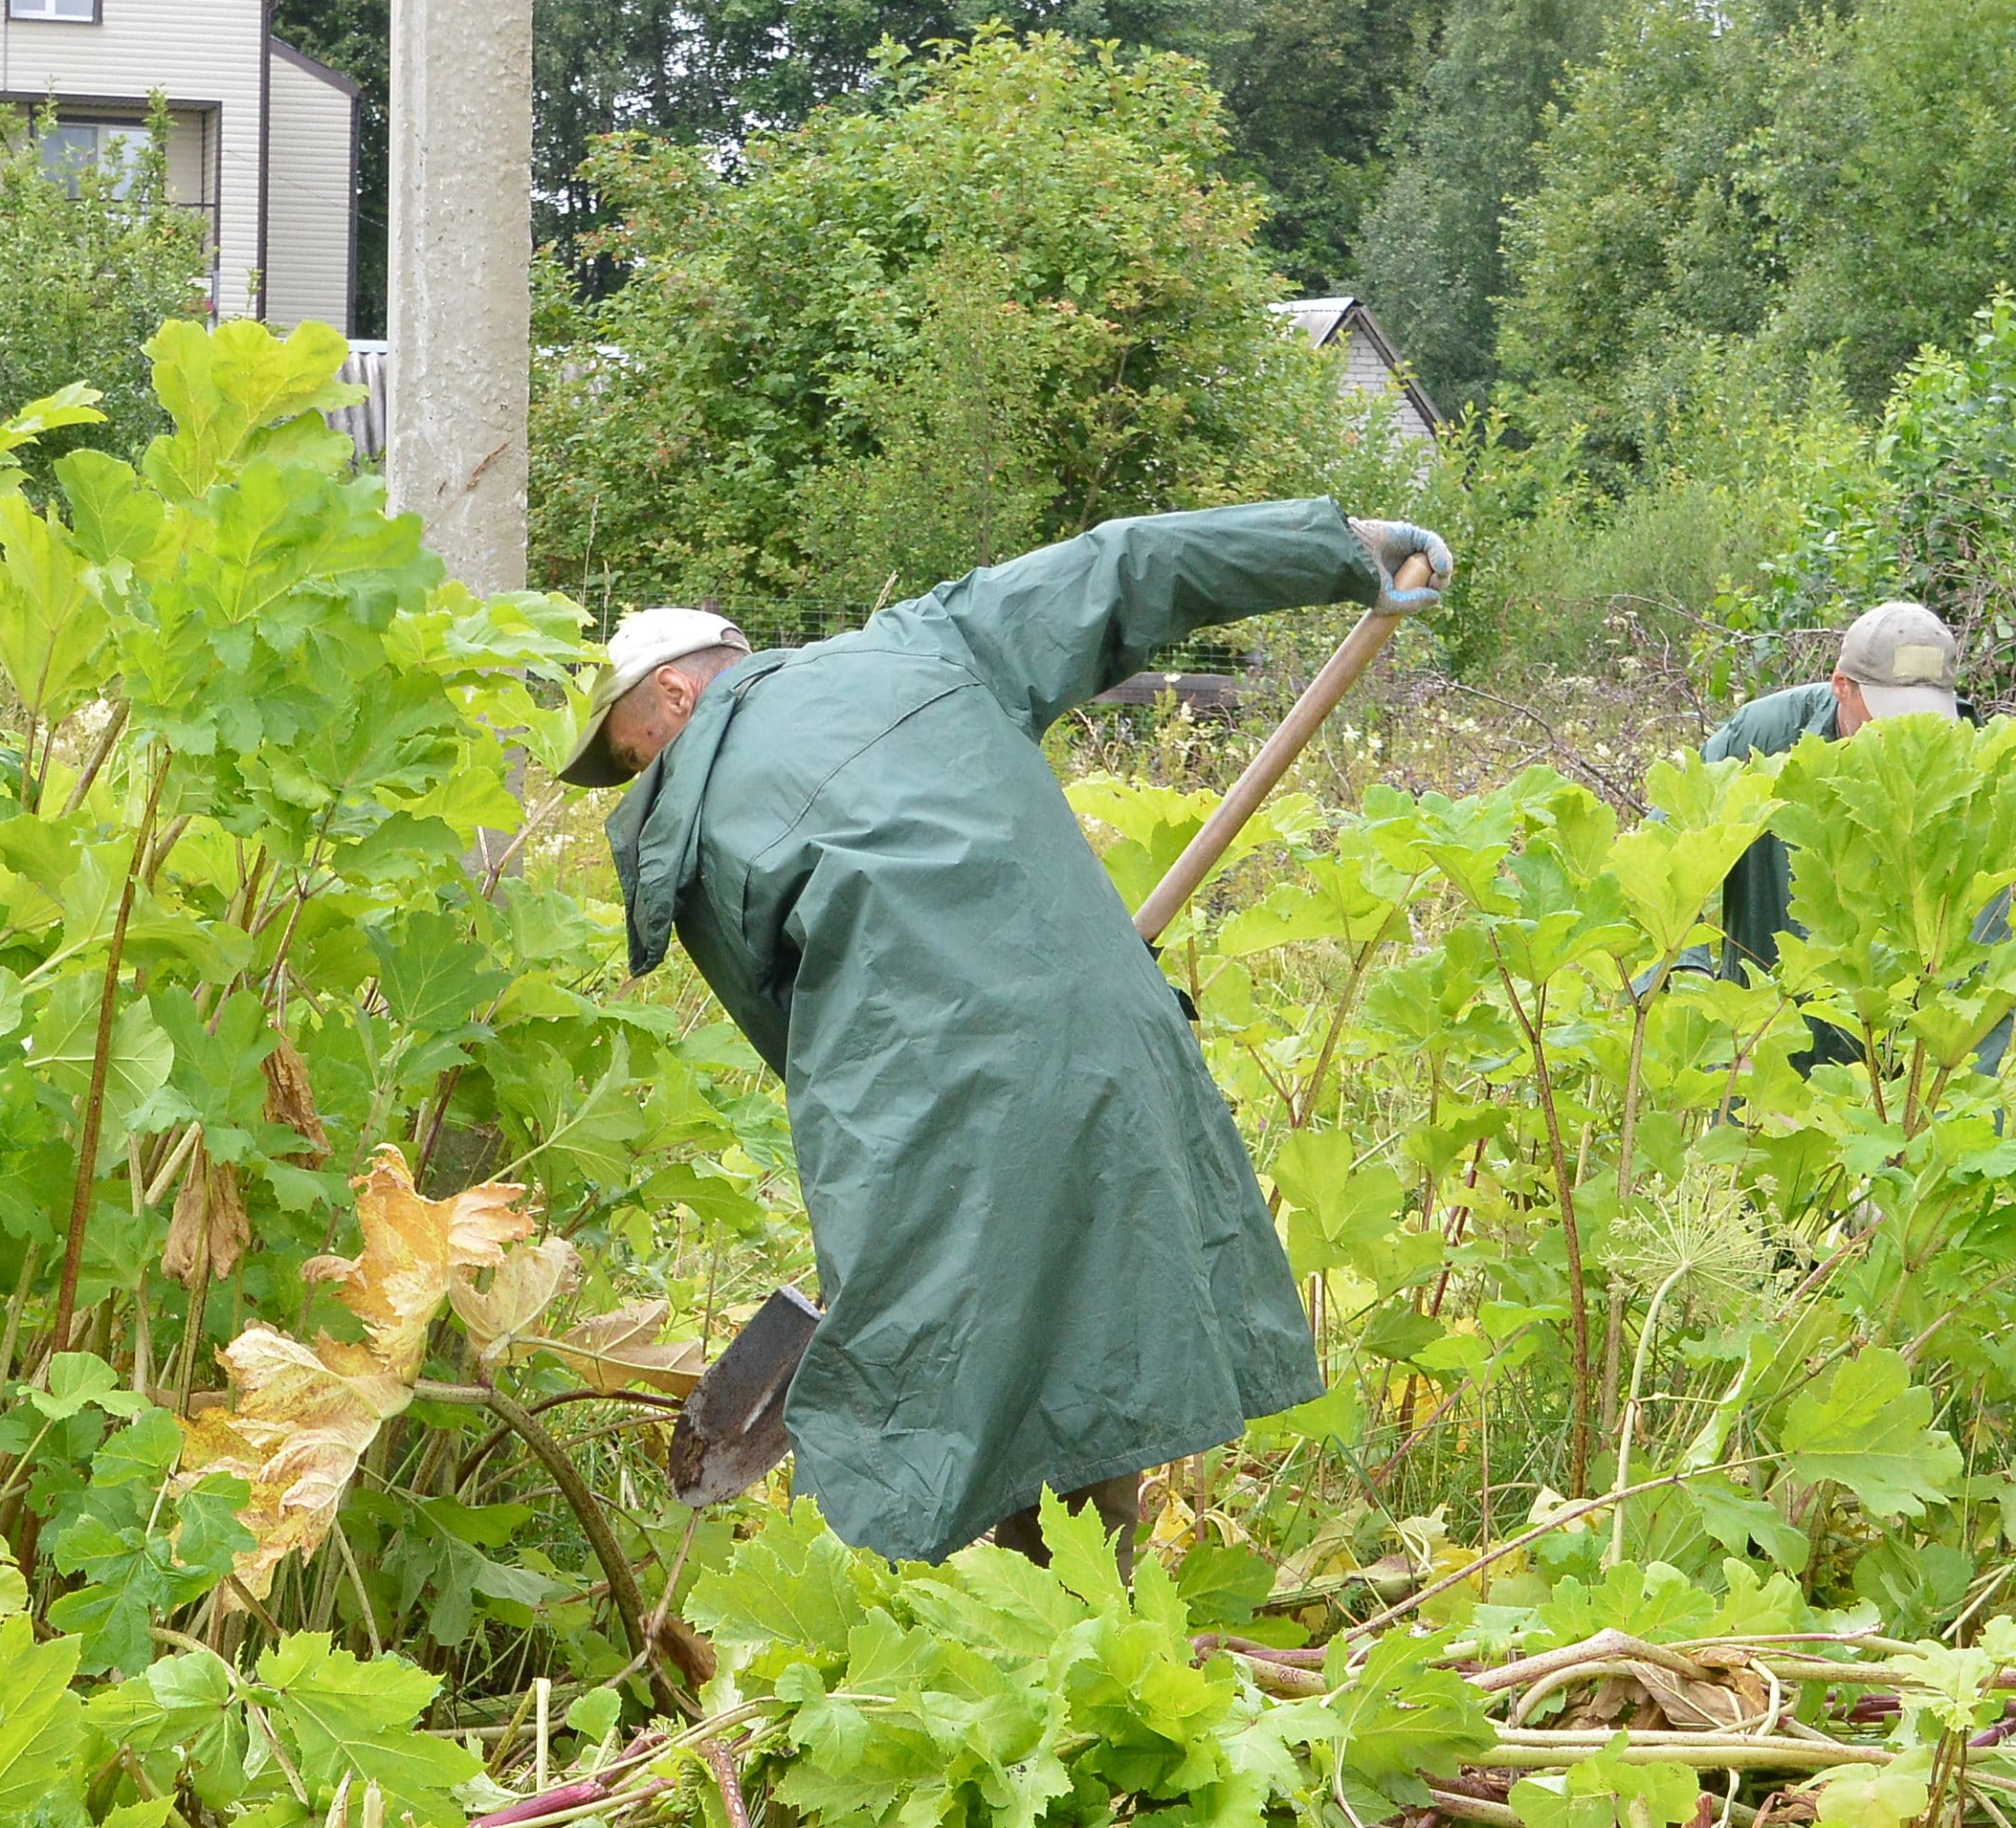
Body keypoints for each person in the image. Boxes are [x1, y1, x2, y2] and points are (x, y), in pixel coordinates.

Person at [564, 501, 1449, 1565]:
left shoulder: (686, 823)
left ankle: (980, 1658)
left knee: (936, 1371)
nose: (640, 779)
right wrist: (1341, 548)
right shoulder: (923, 644)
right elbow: (1121, 567)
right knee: (1096, 1321)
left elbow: (796, 1043)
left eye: (632, 753)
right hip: (1111, 1035)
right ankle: (1094, 1626)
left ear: (675, 689)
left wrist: (874, 1211)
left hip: (931, 1094)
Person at [1693, 600, 2010, 1074]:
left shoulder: (1972, 767)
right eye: (1891, 714)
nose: (1908, 733)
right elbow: (1669, 848)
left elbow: (1983, 962)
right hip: (1763, 1051)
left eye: (1925, 715)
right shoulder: (1765, 736)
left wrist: (1943, 1097)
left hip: (1894, 1070)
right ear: (1842, 685)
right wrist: (1696, 992)